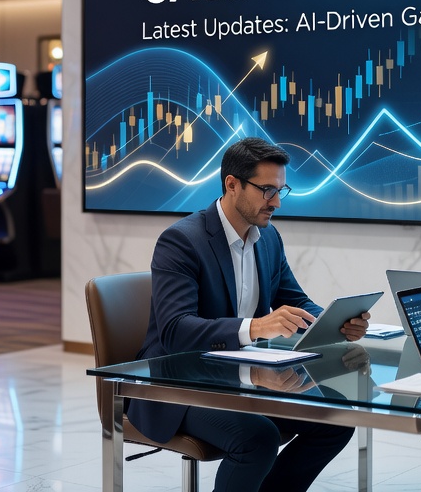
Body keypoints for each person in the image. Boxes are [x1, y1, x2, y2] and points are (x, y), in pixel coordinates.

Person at [129, 137, 368, 492]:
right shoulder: (181, 241)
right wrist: (253, 327)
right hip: (178, 384)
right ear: (232, 185)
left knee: (335, 419)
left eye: (280, 190)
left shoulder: (268, 238)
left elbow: (296, 300)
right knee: (257, 437)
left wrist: (334, 322)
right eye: (267, 191)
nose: (276, 203)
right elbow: (175, 331)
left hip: (242, 377)